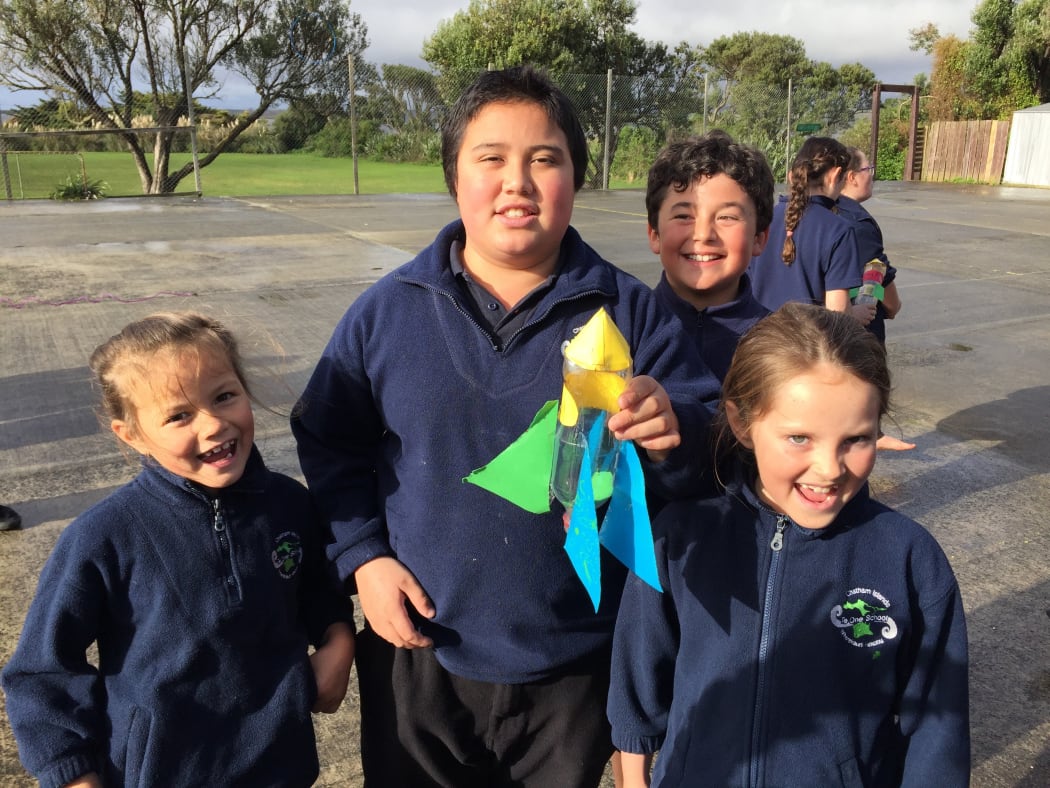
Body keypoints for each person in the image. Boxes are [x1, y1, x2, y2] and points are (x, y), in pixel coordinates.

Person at [291, 65, 718, 788]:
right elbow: (329, 440)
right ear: (454, 176)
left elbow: (711, 456)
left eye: (544, 159)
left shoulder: (634, 314)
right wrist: (363, 557)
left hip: (576, 663)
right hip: (416, 653)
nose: (517, 181)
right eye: (491, 158)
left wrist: (677, 431)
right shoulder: (386, 312)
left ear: (576, 179)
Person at [608, 303, 970, 787]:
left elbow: (937, 730)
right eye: (799, 437)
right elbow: (638, 690)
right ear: (740, 423)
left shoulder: (909, 558)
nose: (828, 468)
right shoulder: (680, 539)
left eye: (855, 439)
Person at [1, 312, 355, 788]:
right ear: (132, 435)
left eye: (224, 396)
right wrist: (72, 773)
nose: (212, 424)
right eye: (178, 415)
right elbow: (41, 669)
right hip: (157, 773)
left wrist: (338, 640)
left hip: (281, 766)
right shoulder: (102, 535)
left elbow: (319, 590)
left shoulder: (290, 505)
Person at [645, 130, 774, 383]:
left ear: (759, 237)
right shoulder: (626, 331)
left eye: (727, 217)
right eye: (684, 216)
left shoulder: (783, 345)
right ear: (654, 234)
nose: (703, 235)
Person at [749, 136, 874, 327]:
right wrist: (855, 314)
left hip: (761, 343)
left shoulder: (761, 220)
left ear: (793, 176)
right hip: (805, 348)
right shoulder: (839, 230)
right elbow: (837, 314)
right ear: (835, 176)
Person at [838, 146, 902, 344]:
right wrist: (892, 305)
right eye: (868, 169)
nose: (871, 176)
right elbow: (876, 273)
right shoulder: (857, 223)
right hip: (858, 331)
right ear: (852, 177)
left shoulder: (824, 212)